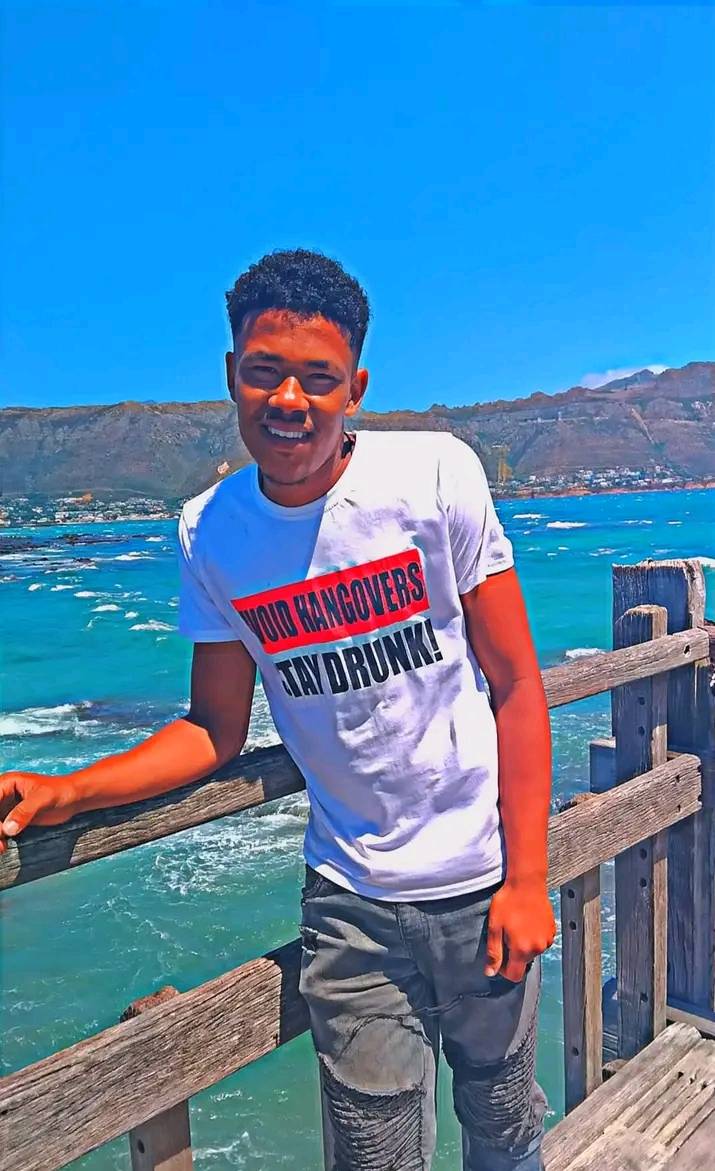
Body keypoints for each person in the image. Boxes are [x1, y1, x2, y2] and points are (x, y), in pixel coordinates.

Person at [0, 249, 556, 1170]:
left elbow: (515, 682)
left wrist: (527, 878)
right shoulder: (210, 531)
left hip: (480, 879)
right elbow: (213, 728)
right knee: (374, 1151)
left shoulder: (436, 475)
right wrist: (71, 791)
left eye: (318, 377)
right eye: (265, 371)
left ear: (355, 389)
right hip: (350, 903)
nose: (289, 399)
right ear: (232, 374)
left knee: (503, 1124)